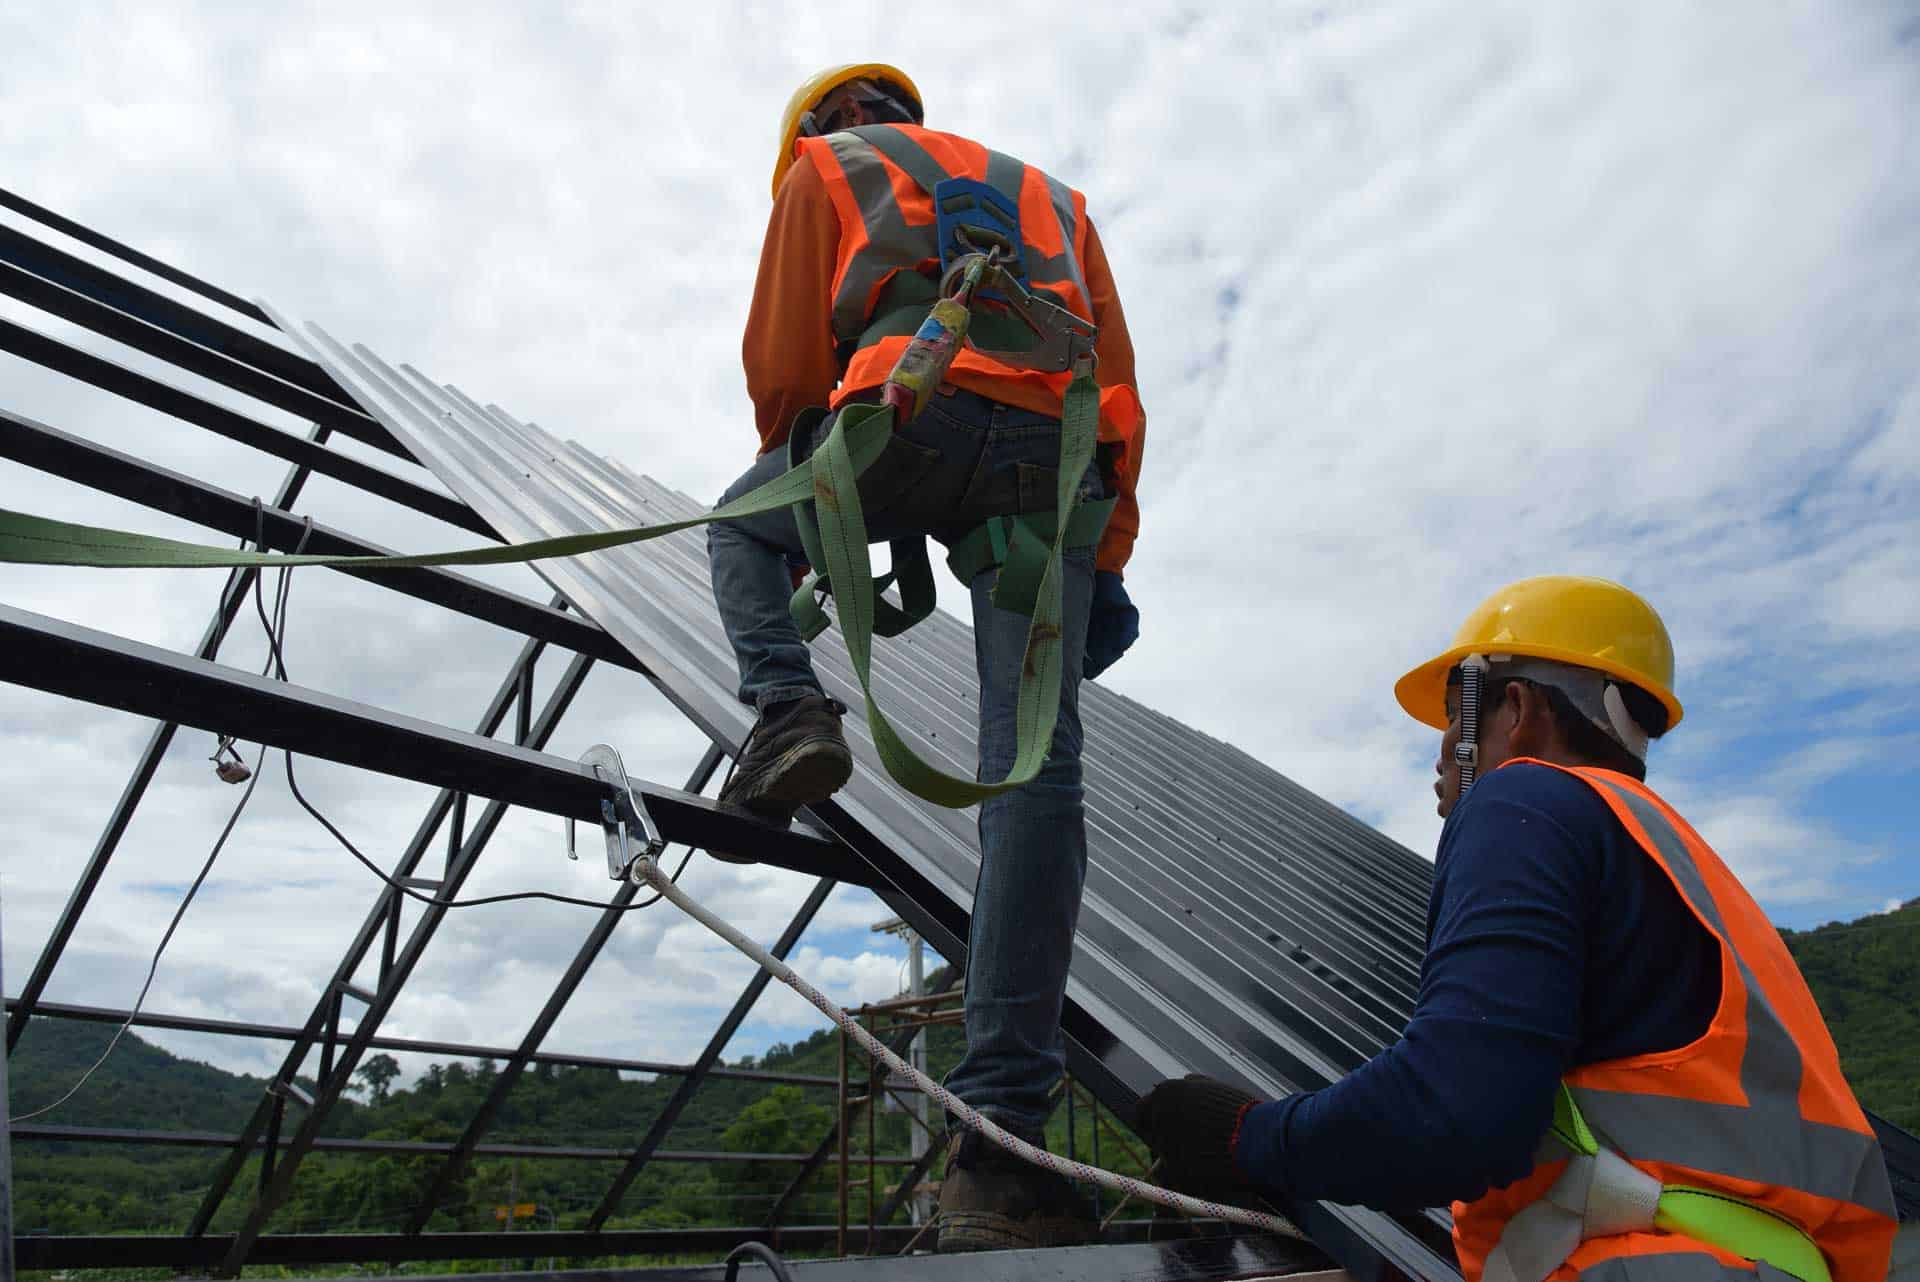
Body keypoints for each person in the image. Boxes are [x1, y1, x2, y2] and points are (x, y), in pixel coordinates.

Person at [1135, 577, 1896, 1282]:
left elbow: (1454, 1114)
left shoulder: (1522, 800)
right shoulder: (1678, 861)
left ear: (1518, 709)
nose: (1438, 750)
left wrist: (1245, 1138)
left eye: (1457, 712)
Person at [705, 63, 1147, 1252]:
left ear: (820, 123)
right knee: (1037, 774)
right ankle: (1002, 1129)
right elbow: (1118, 385)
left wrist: (818, 506)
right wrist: (1103, 552)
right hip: (1049, 460)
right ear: (904, 110)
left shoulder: (825, 166)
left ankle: (791, 712)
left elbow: (791, 367)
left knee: (736, 533)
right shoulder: (1055, 198)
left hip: (910, 399)